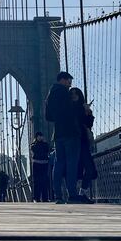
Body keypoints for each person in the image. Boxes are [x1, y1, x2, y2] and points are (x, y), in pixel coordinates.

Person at [45, 71, 87, 204]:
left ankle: (58, 195)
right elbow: (71, 112)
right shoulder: (65, 93)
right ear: (62, 80)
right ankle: (72, 195)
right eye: (69, 81)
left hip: (58, 134)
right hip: (71, 133)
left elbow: (48, 117)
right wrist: (80, 106)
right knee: (71, 164)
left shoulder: (50, 96)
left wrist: (59, 118)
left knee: (59, 164)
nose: (70, 85)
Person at [71, 87, 97, 203]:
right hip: (73, 142)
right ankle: (74, 194)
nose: (74, 96)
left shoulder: (83, 108)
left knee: (90, 168)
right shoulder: (69, 108)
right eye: (72, 94)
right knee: (75, 169)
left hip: (83, 142)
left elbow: (89, 124)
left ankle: (82, 193)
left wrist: (88, 112)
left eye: (76, 94)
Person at [30, 132, 50, 202]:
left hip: (43, 163)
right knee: (37, 181)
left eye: (41, 136)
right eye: (39, 136)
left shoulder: (43, 145)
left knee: (44, 181)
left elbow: (47, 150)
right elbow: (45, 150)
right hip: (38, 164)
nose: (41, 137)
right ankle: (37, 198)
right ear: (36, 137)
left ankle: (45, 198)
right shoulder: (34, 145)